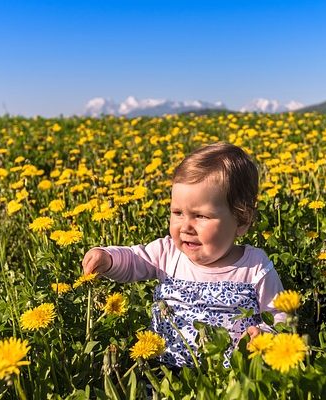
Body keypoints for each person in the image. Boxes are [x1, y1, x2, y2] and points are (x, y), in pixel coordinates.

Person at [82, 142, 286, 368]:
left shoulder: (254, 267)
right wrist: (108, 258)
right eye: (177, 213)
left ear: (242, 220)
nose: (185, 226)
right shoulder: (167, 254)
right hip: (165, 374)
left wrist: (265, 337)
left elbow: (280, 314)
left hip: (232, 378)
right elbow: (134, 260)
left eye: (201, 216)